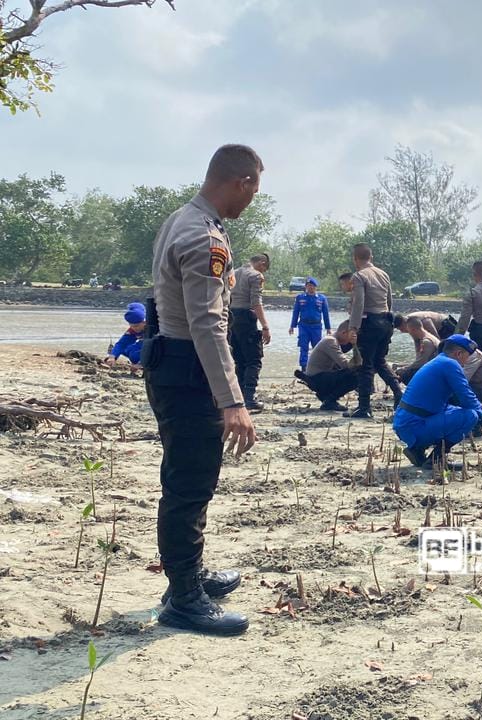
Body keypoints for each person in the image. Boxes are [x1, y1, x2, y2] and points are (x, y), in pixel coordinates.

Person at [142, 143, 259, 635]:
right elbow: (208, 323)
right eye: (254, 190)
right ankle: (184, 598)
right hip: (188, 369)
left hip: (174, 361)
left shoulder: (183, 219)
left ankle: (186, 575)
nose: (251, 200)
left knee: (190, 475)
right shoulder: (202, 235)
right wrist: (233, 400)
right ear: (243, 183)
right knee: (190, 483)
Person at [393, 334, 482, 473]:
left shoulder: (438, 361)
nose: (466, 362)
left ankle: (417, 450)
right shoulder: (451, 364)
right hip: (415, 427)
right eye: (467, 356)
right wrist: (481, 411)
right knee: (470, 416)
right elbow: (465, 394)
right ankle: (436, 459)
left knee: (456, 411)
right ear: (459, 353)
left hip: (406, 423)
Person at [346, 243, 402, 418]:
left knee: (365, 365)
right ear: (371, 257)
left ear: (355, 259)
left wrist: (353, 327)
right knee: (379, 361)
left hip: (370, 322)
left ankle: (364, 407)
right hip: (386, 321)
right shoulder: (383, 274)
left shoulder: (359, 276)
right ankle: (399, 393)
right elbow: (390, 301)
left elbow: (359, 303)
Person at [227, 253, 272, 410]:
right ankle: (249, 397)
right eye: (264, 268)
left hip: (230, 317)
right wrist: (265, 326)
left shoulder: (233, 273)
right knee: (254, 359)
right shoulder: (255, 275)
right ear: (261, 263)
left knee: (239, 359)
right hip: (246, 318)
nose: (263, 272)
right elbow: (256, 302)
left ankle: (238, 396)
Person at [294, 321, 358, 411]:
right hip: (317, 379)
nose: (352, 338)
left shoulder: (332, 339)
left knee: (351, 372)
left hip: (317, 377)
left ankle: (326, 397)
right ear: (344, 333)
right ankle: (330, 401)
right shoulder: (331, 341)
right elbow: (346, 365)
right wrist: (354, 345)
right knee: (357, 375)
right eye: (352, 335)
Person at [288, 277, 331, 370]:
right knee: (303, 346)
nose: (310, 287)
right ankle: (304, 367)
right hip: (303, 326)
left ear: (315, 287)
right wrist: (292, 326)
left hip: (316, 327)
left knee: (317, 347)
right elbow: (296, 312)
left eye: (312, 286)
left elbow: (326, 313)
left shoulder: (321, 298)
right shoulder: (300, 298)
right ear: (305, 287)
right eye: (308, 286)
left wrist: (328, 328)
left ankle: (316, 366)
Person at [394, 316, 440, 385]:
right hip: (433, 368)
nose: (409, 333)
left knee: (405, 374)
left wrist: (403, 369)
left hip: (435, 372)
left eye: (409, 331)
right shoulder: (428, 337)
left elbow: (420, 363)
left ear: (413, 330)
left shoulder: (426, 342)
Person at [105, 301, 146, 366]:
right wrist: (112, 356)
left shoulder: (154, 328)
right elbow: (122, 343)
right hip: (142, 344)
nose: (134, 328)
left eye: (136, 326)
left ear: (144, 322)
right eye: (131, 326)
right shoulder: (132, 330)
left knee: (134, 356)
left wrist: (140, 364)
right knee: (125, 349)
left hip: (153, 348)